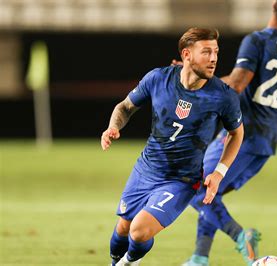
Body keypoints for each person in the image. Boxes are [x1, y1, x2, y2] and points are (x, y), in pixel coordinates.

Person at [101, 27, 244, 266]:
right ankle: (116, 262)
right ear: (186, 55)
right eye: (206, 52)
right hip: (146, 170)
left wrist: (219, 173)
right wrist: (113, 127)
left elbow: (236, 133)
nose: (213, 59)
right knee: (123, 228)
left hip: (182, 180)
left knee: (139, 231)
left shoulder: (223, 96)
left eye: (216, 52)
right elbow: (124, 107)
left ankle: (128, 263)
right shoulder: (158, 78)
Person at [182, 1, 277, 265]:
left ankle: (242, 237)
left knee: (197, 189)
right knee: (209, 193)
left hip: (243, 134)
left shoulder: (257, 40)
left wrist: (200, 77)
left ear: (274, 6)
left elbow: (237, 84)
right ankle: (199, 258)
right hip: (266, 140)